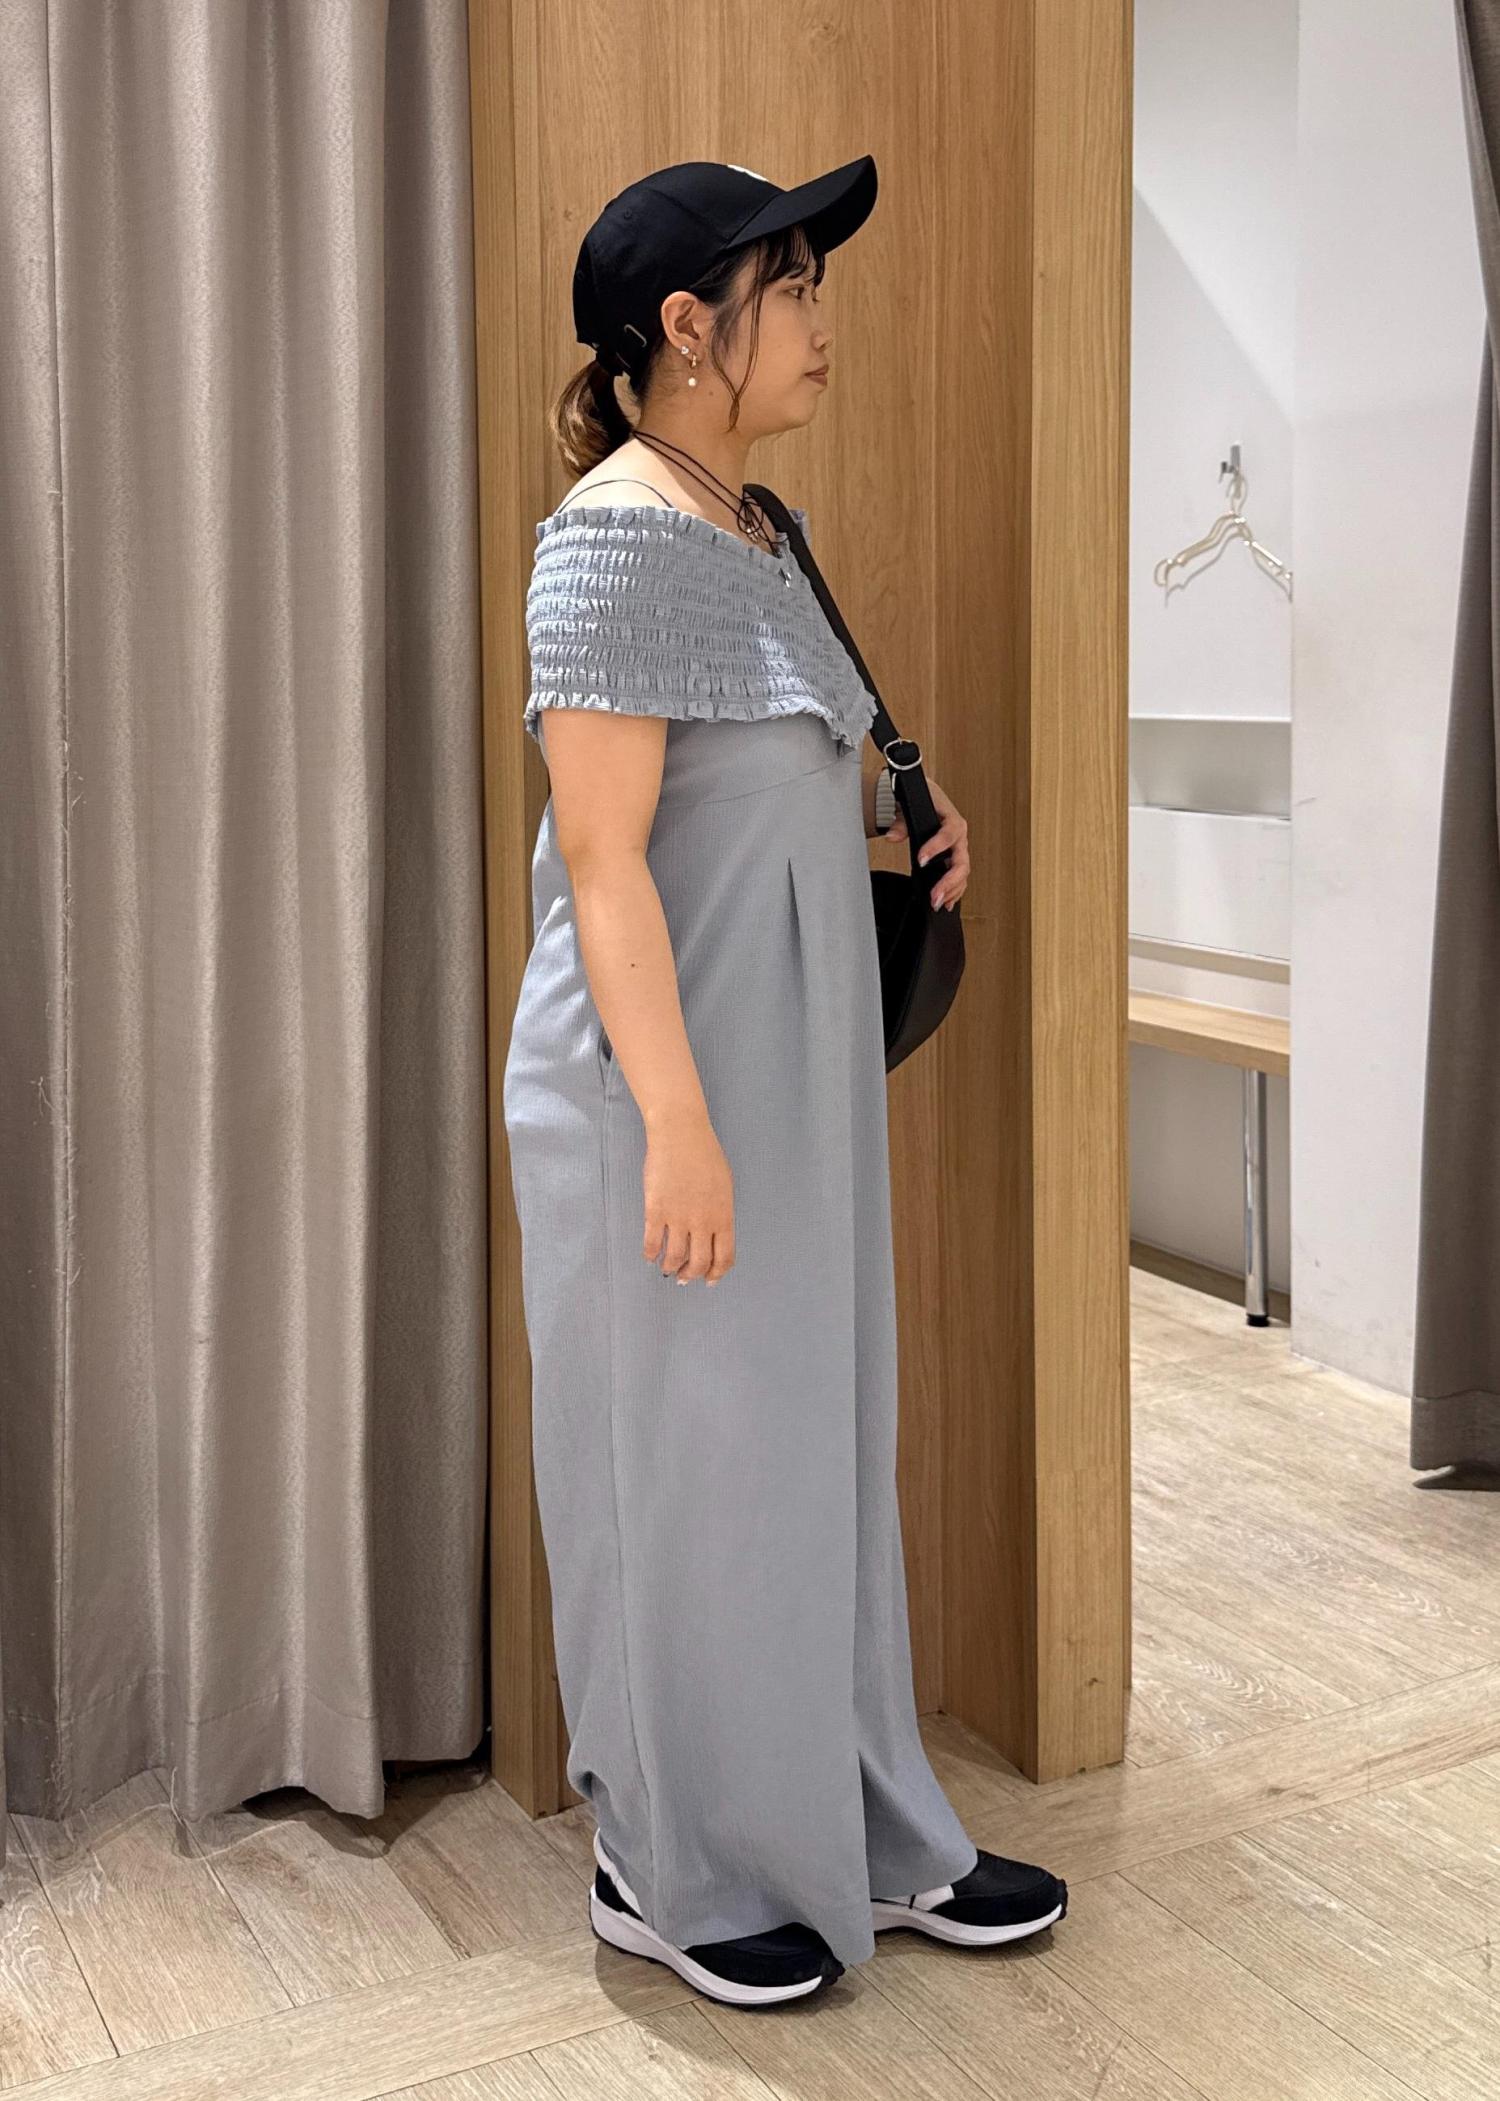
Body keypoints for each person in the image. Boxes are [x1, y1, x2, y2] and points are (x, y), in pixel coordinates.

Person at [502, 155, 1067, 2010]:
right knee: (680, 1464)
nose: (825, 321)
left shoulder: (757, 525)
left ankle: (862, 1820)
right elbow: (605, 864)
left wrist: (909, 806)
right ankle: (667, 1858)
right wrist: (674, 1120)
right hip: (665, 1091)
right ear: (688, 326)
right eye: (795, 286)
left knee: (810, 1444)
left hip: (791, 1079)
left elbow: (775, 762)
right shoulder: (609, 536)